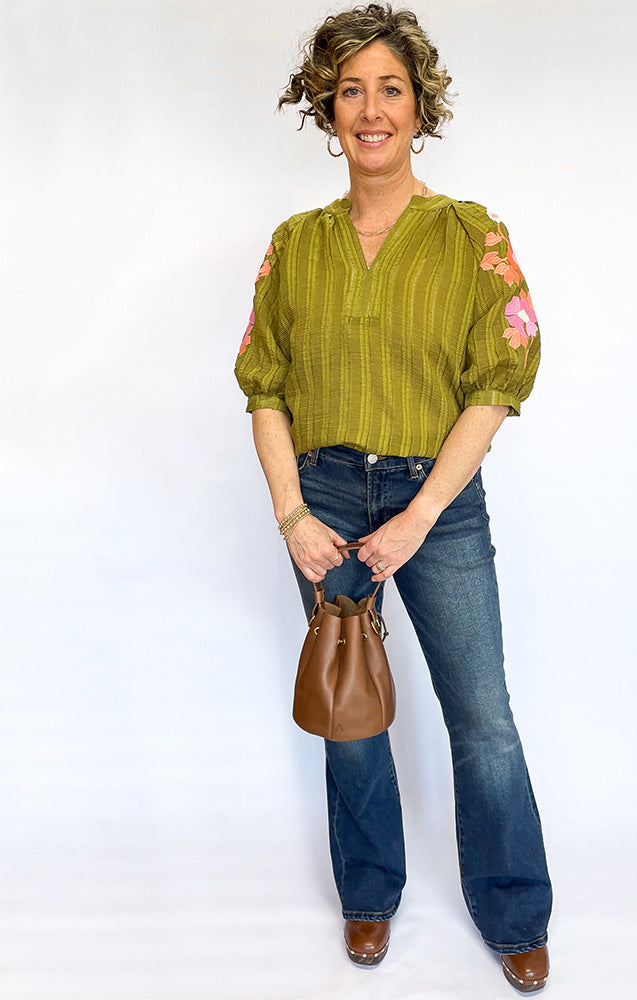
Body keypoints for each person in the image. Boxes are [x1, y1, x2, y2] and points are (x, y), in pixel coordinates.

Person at [234, 3, 552, 992]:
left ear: (419, 107)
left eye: (390, 89)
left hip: (437, 500)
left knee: (482, 716)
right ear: (326, 110)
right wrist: (292, 513)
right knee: (351, 709)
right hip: (324, 499)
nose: (370, 109)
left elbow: (497, 381)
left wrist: (418, 517)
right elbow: (264, 385)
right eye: (350, 91)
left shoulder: (471, 236)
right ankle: (368, 895)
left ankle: (513, 909)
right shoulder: (295, 244)